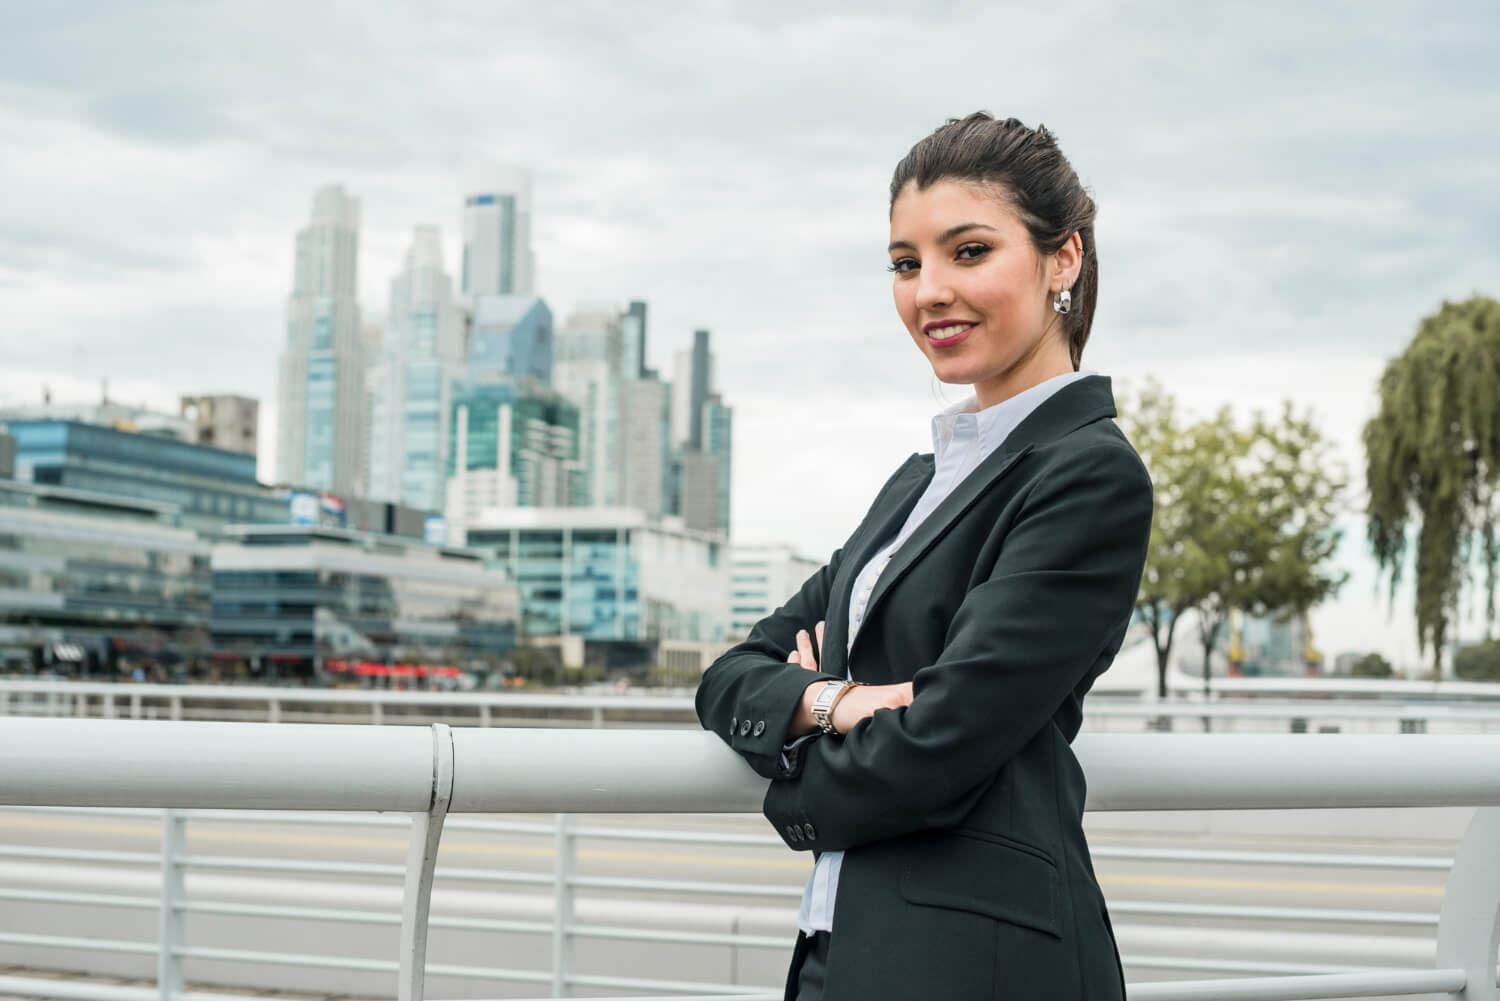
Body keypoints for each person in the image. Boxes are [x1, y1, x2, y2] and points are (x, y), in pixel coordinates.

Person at [695, 113, 1153, 1001]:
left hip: (974, 965)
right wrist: (840, 700)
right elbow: (730, 672)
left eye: (969, 251)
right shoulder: (916, 486)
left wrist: (790, 776)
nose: (929, 291)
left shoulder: (1089, 474)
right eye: (906, 264)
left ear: (1064, 259)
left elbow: (938, 743)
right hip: (840, 946)